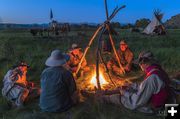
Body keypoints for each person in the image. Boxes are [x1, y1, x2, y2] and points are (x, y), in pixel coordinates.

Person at [99, 51, 175, 113]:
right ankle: (105, 92)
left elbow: (137, 101)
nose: (140, 65)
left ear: (144, 63)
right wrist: (132, 85)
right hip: (155, 98)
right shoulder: (157, 70)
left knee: (119, 98)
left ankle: (103, 98)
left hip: (153, 107)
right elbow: (146, 87)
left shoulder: (152, 77)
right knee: (128, 89)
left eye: (140, 63)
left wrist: (124, 93)